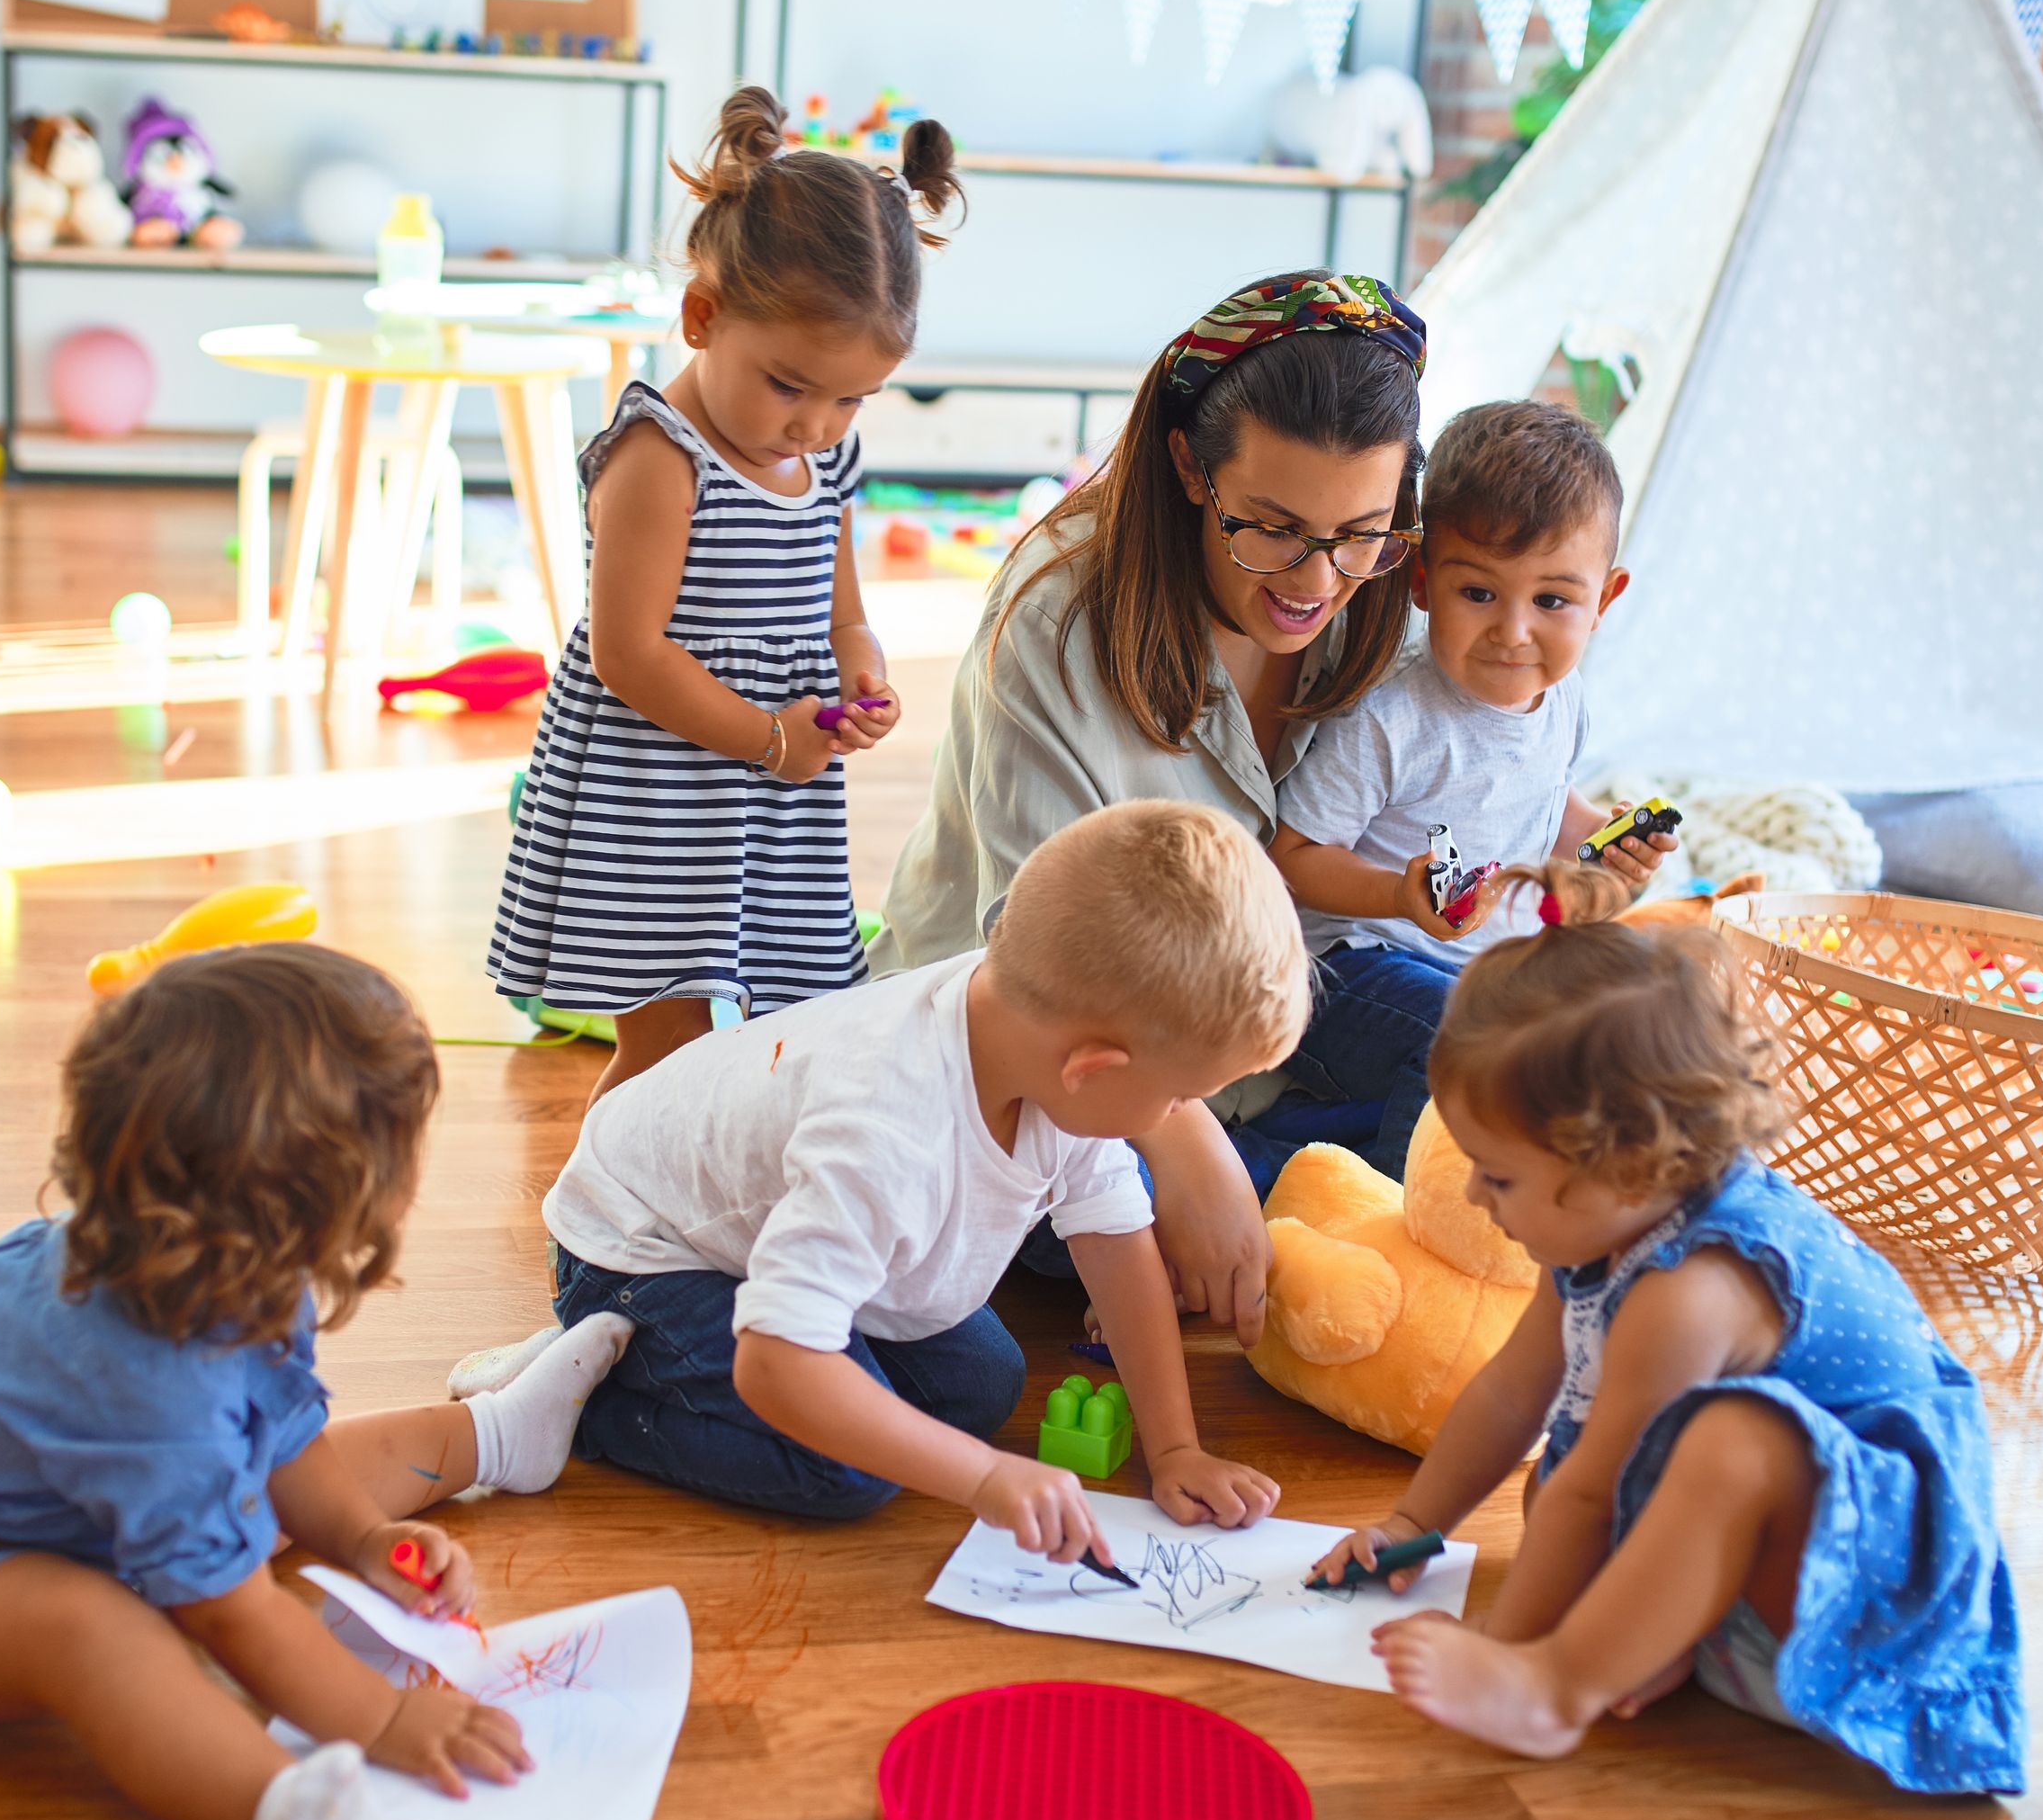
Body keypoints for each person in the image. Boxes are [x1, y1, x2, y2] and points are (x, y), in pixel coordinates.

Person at [0, 946, 638, 1820]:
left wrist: (359, 1538)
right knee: (92, 1630)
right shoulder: (151, 1391)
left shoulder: (223, 1266)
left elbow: (282, 1438)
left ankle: (493, 1435)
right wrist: (387, 1715)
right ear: (317, 1193)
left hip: (69, 1509)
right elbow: (229, 1617)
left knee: (281, 1475)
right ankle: (282, 1811)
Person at [1312, 920, 2025, 1798]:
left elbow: (1597, 1491)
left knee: (1724, 1443)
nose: (1471, 1194)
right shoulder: (1595, 1227)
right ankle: (1657, 1641)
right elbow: (1509, 1394)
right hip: (1763, 1575)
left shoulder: (1690, 1289)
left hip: (1870, 1602)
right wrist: (1410, 1523)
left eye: (1497, 1177)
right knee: (1557, 1486)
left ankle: (1559, 1688)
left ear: (1629, 1167)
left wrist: (1506, 1651)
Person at [877, 272, 1430, 1340]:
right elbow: (1036, 971)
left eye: (1360, 532)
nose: (1317, 581)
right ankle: (1270, 1232)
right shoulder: (1057, 616)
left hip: (1259, 1043)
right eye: (1269, 528)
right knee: (1060, 1188)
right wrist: (1184, 1139)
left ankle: (1264, 1235)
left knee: (1490, 1059)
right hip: (1069, 1056)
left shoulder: (1385, 584)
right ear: (1188, 464)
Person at [542, 802, 1304, 1544]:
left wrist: (1175, 1450)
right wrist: (981, 1478)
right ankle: (581, 1399)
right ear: (1090, 1069)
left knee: (980, 1384)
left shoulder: (1036, 1025)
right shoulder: (886, 1131)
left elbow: (1115, 1238)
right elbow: (775, 1363)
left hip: (755, 1220)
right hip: (638, 1248)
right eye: (1179, 1096)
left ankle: (770, 1316)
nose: (1178, 1115)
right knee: (846, 1472)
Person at [490, 85, 960, 1098]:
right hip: (655, 791)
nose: (816, 425)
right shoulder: (663, 456)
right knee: (662, 1042)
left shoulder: (828, 459)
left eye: (850, 398)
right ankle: (605, 1227)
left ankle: (715, 1192)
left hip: (773, 793)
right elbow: (628, 653)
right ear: (702, 317)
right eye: (789, 385)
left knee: (787, 1031)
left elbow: (842, 611)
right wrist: (767, 735)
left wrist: (862, 676)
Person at [1266, 399, 1664, 1179]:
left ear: (1604, 601)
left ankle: (1320, 1145)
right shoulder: (1394, 713)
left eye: (1551, 601)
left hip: (1485, 970)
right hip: (1348, 964)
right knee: (1468, 1035)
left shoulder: (1565, 699)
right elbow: (1294, 855)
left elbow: (1542, 807)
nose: (1514, 632)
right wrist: (1398, 895)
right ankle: (1401, 1219)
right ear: (1422, 582)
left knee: (1618, 1019)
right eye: (1478, 593)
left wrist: (1603, 847)